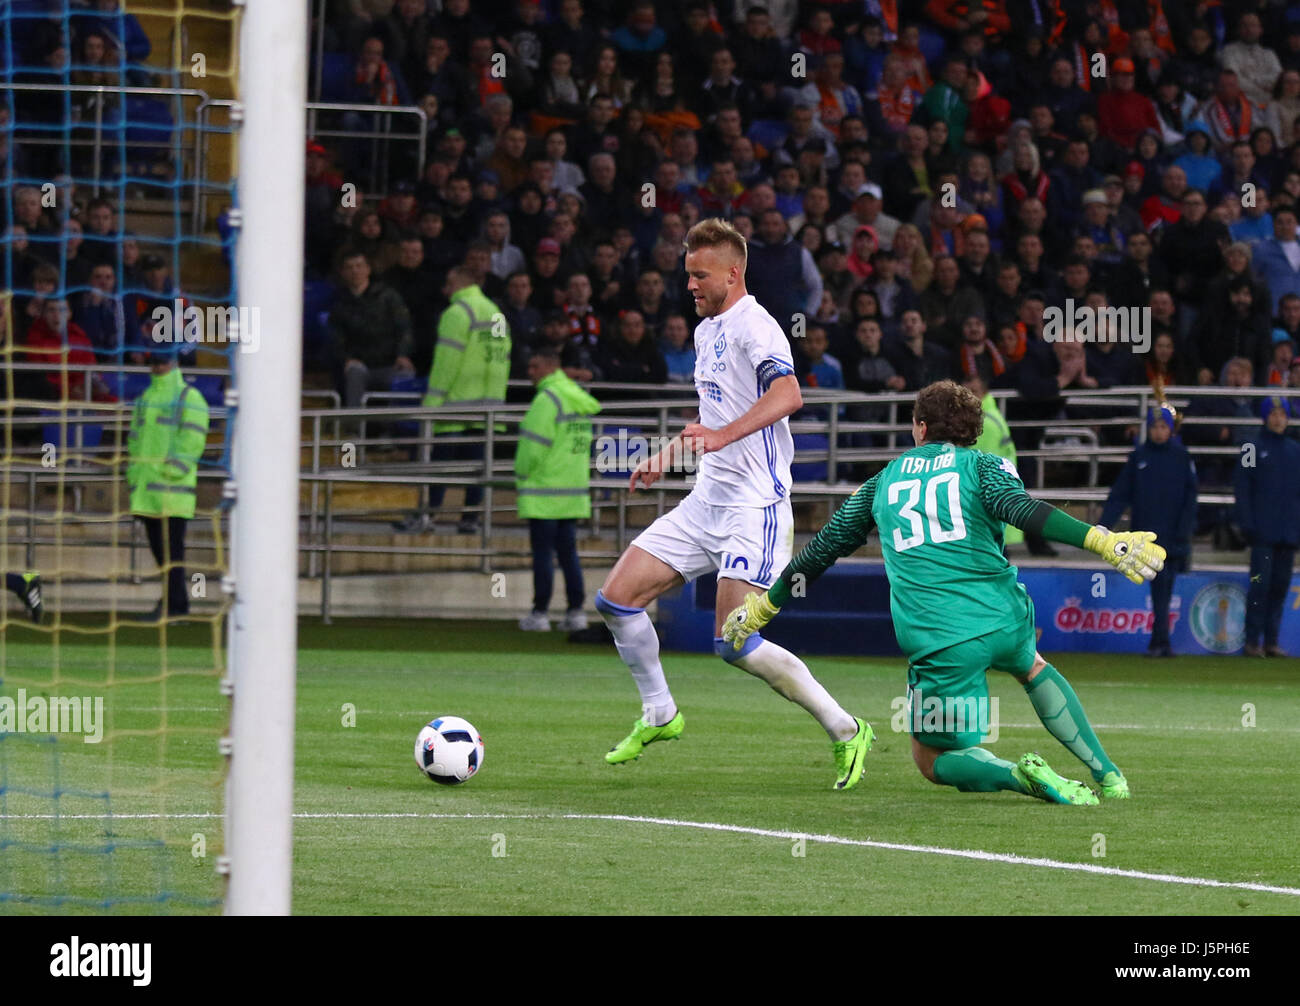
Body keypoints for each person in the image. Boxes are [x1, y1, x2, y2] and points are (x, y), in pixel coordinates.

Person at [723, 381, 1168, 804]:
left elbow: (824, 548)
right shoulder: (984, 466)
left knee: (933, 758)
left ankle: (1017, 775)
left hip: (941, 638)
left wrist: (764, 606)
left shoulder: (882, 483)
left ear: (919, 427)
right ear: (973, 431)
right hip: (1005, 617)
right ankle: (1108, 774)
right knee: (1031, 667)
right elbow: (1024, 511)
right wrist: (1103, 541)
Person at [595, 218, 872, 789]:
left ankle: (847, 729)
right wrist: (667, 454)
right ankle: (660, 713)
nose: (690, 285)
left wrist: (722, 439)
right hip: (706, 501)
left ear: (732, 273)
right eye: (687, 274)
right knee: (616, 599)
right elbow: (712, 417)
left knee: (732, 643)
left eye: (699, 275)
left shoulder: (758, 327)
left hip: (754, 506)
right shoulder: (705, 331)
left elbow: (788, 394)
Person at [406, 266, 510, 534]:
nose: (445, 289)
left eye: (448, 283)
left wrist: (431, 404)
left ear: (456, 283)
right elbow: (500, 361)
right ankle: (470, 520)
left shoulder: (457, 313)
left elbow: (446, 363)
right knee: (477, 469)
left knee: (440, 466)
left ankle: (428, 517)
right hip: (488, 408)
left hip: (455, 406)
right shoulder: (496, 313)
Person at [1099, 405, 1198, 658]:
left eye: (1163, 426)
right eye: (1154, 426)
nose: (1158, 431)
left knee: (1163, 589)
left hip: (1173, 536)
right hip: (1147, 538)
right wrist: (1104, 525)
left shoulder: (1181, 457)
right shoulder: (1138, 457)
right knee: (1160, 590)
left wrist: (1184, 532)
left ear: (1171, 429)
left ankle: (1160, 641)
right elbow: (1120, 494)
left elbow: (1190, 498)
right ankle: (1161, 641)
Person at [515, 345, 601, 634]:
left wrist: (521, 472)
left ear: (549, 367)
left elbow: (532, 447)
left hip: (543, 491)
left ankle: (540, 612)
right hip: (572, 491)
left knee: (543, 555)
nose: (530, 373)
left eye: (534, 367)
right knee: (568, 555)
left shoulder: (547, 399)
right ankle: (576, 611)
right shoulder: (578, 399)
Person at [126, 344, 211, 621]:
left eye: (162, 361)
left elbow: (193, 440)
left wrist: (170, 471)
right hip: (150, 490)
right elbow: (135, 441)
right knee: (164, 555)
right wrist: (135, 475)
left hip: (170, 491)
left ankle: (175, 605)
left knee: (170, 554)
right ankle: (174, 603)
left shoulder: (188, 396)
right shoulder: (147, 397)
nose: (157, 365)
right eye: (155, 360)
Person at [1235, 398, 1300, 657]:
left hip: (1289, 532)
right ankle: (1252, 641)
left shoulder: (1295, 450)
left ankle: (1271, 641)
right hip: (1262, 532)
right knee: (1259, 586)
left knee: (1280, 586)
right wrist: (1247, 523)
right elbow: (1242, 488)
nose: (1277, 418)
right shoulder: (1252, 447)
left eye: (1281, 413)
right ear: (1264, 417)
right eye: (1272, 413)